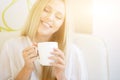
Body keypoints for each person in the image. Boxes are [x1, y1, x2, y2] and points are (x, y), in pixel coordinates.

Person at [0, 0, 88, 80]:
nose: (50, 18)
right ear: (36, 11)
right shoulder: (11, 46)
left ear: (62, 25)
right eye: (46, 10)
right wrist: (27, 69)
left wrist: (61, 75)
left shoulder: (72, 52)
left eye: (58, 17)